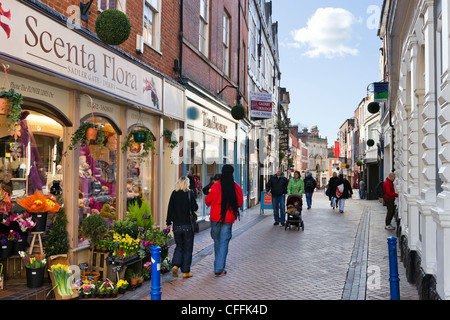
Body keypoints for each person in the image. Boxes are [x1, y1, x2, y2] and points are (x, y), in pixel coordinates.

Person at [205, 165, 243, 277]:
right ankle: (219, 267)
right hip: (228, 217)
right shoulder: (236, 187)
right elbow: (240, 203)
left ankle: (219, 266)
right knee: (223, 241)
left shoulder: (216, 186)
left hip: (215, 217)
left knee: (217, 240)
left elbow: (207, 200)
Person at [166, 176, 199, 278]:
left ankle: (175, 265)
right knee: (188, 248)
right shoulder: (190, 193)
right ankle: (185, 271)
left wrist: (168, 222)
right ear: (187, 184)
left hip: (176, 226)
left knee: (179, 246)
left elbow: (170, 208)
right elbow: (195, 207)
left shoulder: (174, 193)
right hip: (187, 225)